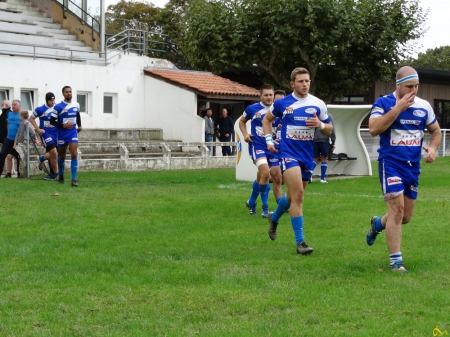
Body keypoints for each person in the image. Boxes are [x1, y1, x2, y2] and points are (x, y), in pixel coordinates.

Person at [365, 66, 442, 273]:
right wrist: (398, 108)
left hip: (412, 167)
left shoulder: (424, 106)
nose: (413, 91)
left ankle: (377, 224)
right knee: (397, 212)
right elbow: (374, 129)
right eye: (409, 86)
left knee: (405, 217)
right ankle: (396, 262)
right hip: (390, 164)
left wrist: (433, 149)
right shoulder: (383, 103)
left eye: (416, 86)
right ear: (397, 85)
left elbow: (435, 131)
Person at [262, 67, 333, 255]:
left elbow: (329, 129)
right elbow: (266, 120)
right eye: (301, 81)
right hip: (287, 154)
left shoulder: (318, 104)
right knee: (299, 195)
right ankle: (300, 242)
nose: (305, 84)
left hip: (306, 156)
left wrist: (320, 125)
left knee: (292, 197)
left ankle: (274, 218)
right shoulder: (282, 104)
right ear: (292, 84)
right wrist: (269, 140)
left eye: (307, 81)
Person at [239, 84, 281, 218]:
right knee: (264, 173)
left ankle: (251, 202)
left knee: (266, 177)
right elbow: (242, 121)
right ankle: (265, 207)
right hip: (257, 145)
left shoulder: (278, 109)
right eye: (266, 95)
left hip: (273, 148)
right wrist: (245, 134)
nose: (269, 97)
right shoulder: (252, 109)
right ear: (260, 95)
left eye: (271, 95)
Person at [50, 86, 82, 187]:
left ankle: (74, 179)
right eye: (67, 92)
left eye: (70, 92)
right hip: (62, 133)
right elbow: (52, 121)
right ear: (63, 94)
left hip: (72, 132)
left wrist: (79, 125)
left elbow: (77, 115)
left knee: (74, 154)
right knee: (62, 156)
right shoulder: (58, 106)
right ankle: (61, 174)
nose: (69, 93)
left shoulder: (76, 104)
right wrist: (63, 125)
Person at [30, 92, 59, 180]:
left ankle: (42, 158)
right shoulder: (40, 109)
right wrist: (38, 130)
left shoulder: (57, 108)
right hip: (46, 134)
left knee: (55, 154)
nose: (52, 102)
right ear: (47, 100)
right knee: (53, 152)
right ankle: (55, 174)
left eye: (53, 100)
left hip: (56, 133)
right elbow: (31, 118)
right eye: (51, 100)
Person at [5, 110, 41, 178]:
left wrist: (28, 140)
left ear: (22, 116)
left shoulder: (27, 124)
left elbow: (32, 133)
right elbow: (18, 134)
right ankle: (9, 173)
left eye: (20, 116)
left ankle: (20, 174)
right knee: (9, 156)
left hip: (22, 145)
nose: (19, 117)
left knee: (20, 158)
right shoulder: (21, 124)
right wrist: (15, 142)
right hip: (17, 144)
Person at [310, 112, 336, 183]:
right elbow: (332, 129)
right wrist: (333, 141)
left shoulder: (314, 115)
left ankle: (310, 173)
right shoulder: (328, 115)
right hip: (325, 139)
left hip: (314, 139)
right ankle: (322, 179)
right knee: (324, 158)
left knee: (314, 158)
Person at [0, 100, 22, 177]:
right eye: (12, 105)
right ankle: (4, 173)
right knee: (2, 154)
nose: (13, 106)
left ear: (19, 106)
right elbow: (8, 124)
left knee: (16, 156)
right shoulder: (9, 114)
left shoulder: (21, 115)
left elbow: (26, 127)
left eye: (15, 105)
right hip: (8, 138)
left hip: (17, 140)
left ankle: (20, 173)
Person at [0, 100, 11, 174]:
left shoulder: (8, 114)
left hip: (6, 137)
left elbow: (5, 127)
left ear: (6, 105)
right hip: (2, 137)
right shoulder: (3, 113)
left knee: (5, 154)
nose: (1, 106)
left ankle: (8, 171)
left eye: (2, 104)